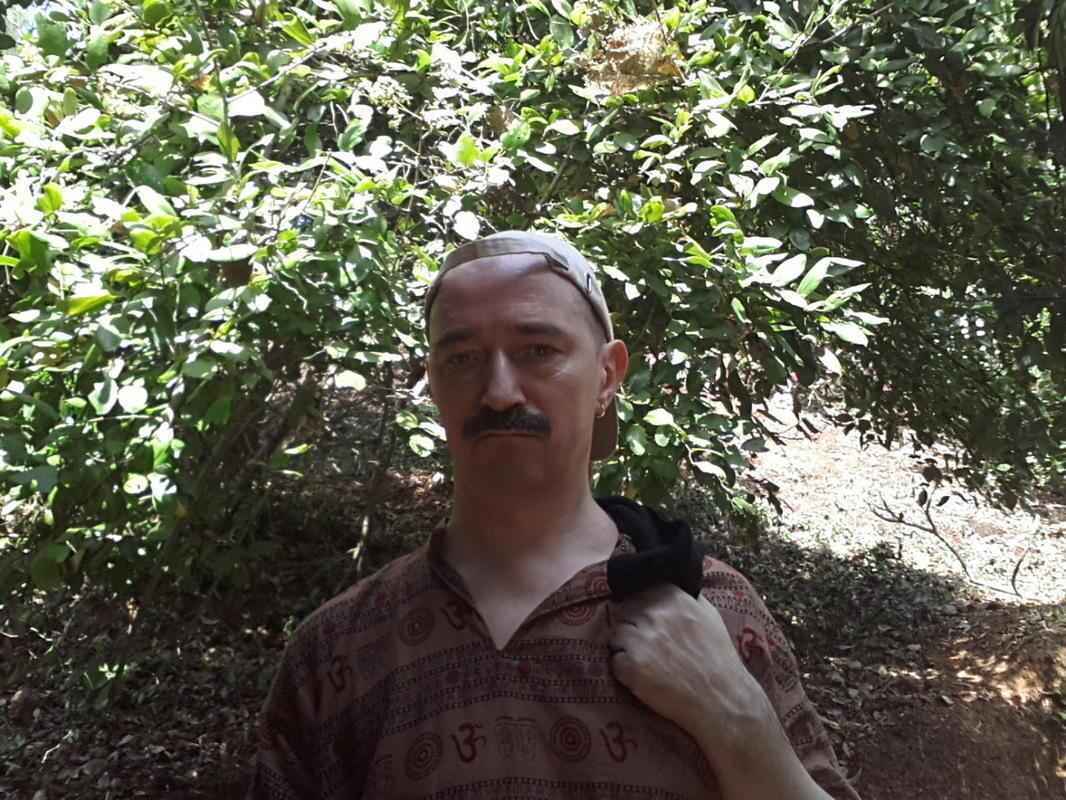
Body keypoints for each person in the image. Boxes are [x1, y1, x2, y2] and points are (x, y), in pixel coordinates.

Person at [249, 231, 860, 800]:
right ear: (432, 382)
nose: (499, 392)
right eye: (462, 359)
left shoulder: (715, 612)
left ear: (607, 376)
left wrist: (738, 719)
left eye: (538, 351)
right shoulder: (337, 649)